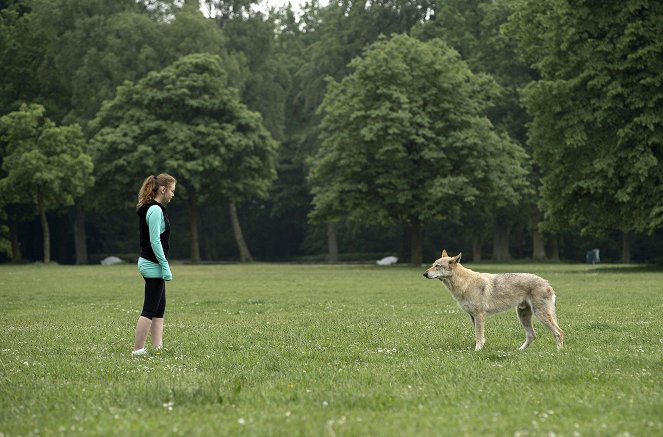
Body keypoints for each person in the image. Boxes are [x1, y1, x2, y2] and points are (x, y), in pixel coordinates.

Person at [132, 173, 177, 357]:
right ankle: (138, 350)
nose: (173, 194)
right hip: (152, 264)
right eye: (172, 190)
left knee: (159, 308)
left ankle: (158, 348)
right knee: (149, 309)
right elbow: (155, 241)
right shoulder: (155, 210)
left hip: (152, 264)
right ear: (163, 189)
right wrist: (165, 265)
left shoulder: (153, 208)